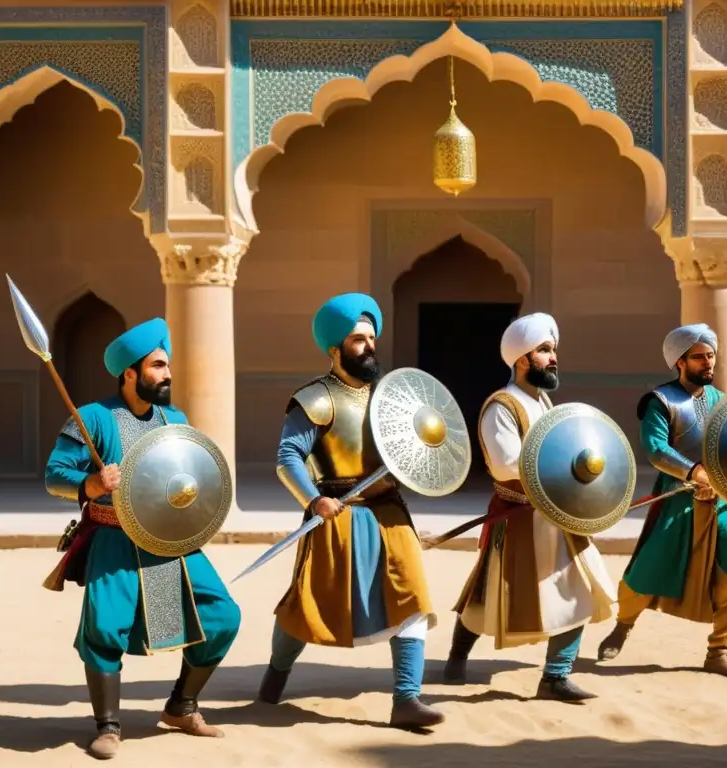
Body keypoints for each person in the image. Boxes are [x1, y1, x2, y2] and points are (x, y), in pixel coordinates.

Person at [43, 318, 241, 760]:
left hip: (172, 542)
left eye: (167, 366)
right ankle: (108, 725)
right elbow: (54, 476)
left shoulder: (176, 420)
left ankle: (182, 706)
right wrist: (91, 484)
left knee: (223, 616)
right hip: (112, 538)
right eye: (157, 366)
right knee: (104, 627)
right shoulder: (93, 417)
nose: (167, 374)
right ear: (129, 373)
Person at [257, 293, 443, 730]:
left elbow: (416, 449)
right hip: (334, 513)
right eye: (358, 339)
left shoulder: (390, 398)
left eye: (372, 338)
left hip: (389, 512)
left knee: (412, 596)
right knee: (305, 608)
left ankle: (406, 699)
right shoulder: (316, 399)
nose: (369, 346)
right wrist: (313, 500)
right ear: (334, 348)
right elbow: (287, 458)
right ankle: (275, 675)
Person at [443, 313, 616, 702]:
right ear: (522, 359)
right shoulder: (501, 406)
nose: (553, 358)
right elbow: (506, 463)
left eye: (553, 350)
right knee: (487, 595)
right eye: (544, 350)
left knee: (584, 588)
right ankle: (456, 656)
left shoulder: (544, 402)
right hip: (517, 517)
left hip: (559, 514)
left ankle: (555, 676)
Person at [596, 323, 727, 679]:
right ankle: (624, 623)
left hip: (720, 499)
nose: (708, 363)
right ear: (680, 362)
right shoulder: (661, 402)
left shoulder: (722, 401)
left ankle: (719, 650)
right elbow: (656, 448)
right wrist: (694, 472)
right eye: (699, 357)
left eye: (711, 356)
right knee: (648, 571)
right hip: (678, 496)